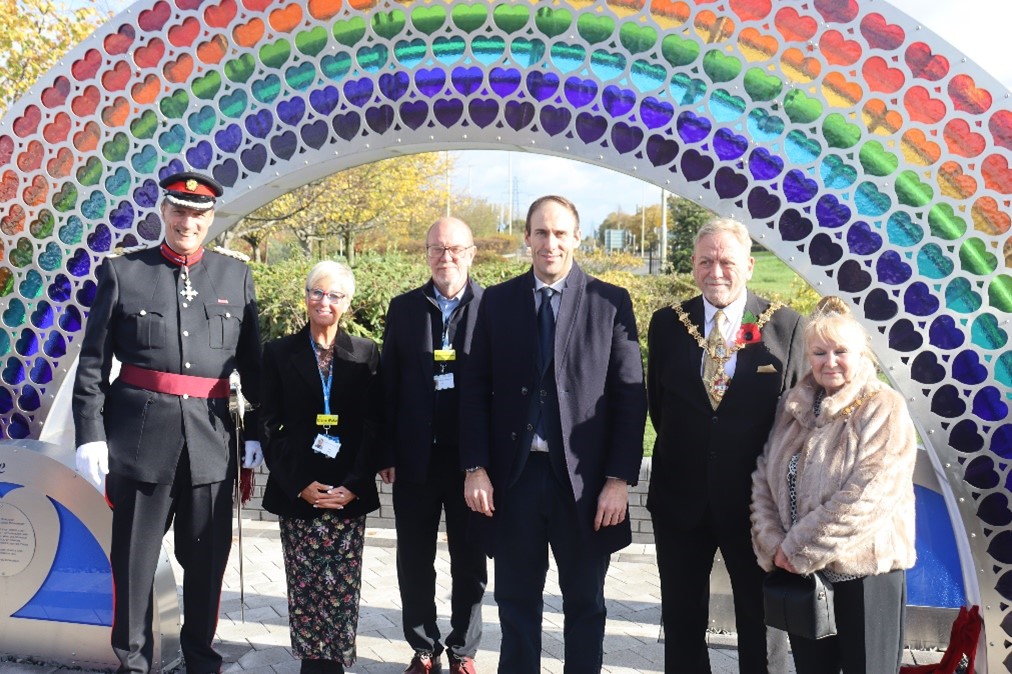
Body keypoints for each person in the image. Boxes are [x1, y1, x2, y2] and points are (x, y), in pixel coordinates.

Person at [72, 171, 263, 674]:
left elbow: (255, 368)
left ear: (211, 219)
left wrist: (256, 437)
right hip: (138, 444)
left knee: (206, 565)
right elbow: (92, 367)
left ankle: (200, 658)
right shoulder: (124, 272)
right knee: (133, 568)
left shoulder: (235, 277)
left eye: (198, 214)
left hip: (211, 446)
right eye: (179, 211)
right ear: (164, 213)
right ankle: (131, 663)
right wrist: (90, 436)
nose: (188, 221)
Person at [460, 195, 646, 674]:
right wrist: (475, 467)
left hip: (584, 486)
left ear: (576, 238)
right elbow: (475, 390)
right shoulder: (497, 301)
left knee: (586, 604)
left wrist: (619, 480)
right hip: (515, 481)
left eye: (560, 233)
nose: (550, 243)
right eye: (541, 233)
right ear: (527, 238)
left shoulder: (610, 302)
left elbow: (630, 398)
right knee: (517, 605)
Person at [646, 217, 806, 673]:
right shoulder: (667, 324)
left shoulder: (785, 327)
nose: (715, 271)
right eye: (705, 261)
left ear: (750, 266)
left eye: (726, 261)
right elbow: (661, 406)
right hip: (680, 500)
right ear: (694, 266)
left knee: (761, 621)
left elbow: (793, 422)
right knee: (680, 618)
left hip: (755, 507)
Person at [751, 296, 917, 673]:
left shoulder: (882, 406)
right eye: (819, 352)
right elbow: (764, 478)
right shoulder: (793, 408)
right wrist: (773, 543)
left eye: (840, 351)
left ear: (861, 353)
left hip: (865, 577)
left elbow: (868, 497)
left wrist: (796, 547)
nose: (829, 362)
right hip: (805, 577)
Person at [259, 260, 381, 674]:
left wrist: (356, 484)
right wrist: (297, 483)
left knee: (341, 589)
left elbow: (374, 423)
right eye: (316, 292)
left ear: (347, 302)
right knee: (307, 586)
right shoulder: (278, 354)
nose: (323, 301)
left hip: (347, 491)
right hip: (300, 489)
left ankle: (337, 663)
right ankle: (313, 664)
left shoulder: (365, 353)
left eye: (334, 295)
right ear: (306, 296)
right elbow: (267, 423)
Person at [379, 217, 487, 674]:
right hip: (414, 460)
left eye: (456, 249)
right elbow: (388, 385)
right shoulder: (404, 308)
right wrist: (385, 452)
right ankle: (424, 648)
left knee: (470, 562)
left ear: (472, 253)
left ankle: (463, 650)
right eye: (437, 249)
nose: (447, 258)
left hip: (471, 464)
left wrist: (488, 462)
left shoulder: (494, 307)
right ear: (425, 254)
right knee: (415, 560)